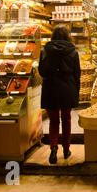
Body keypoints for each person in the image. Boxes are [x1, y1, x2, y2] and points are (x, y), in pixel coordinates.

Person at [39, 25, 80, 164]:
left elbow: (42, 71)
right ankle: (66, 149)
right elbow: (77, 74)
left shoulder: (45, 50)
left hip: (50, 87)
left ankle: (53, 148)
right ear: (68, 36)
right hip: (67, 87)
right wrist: (76, 91)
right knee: (66, 119)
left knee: (54, 120)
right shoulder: (73, 51)